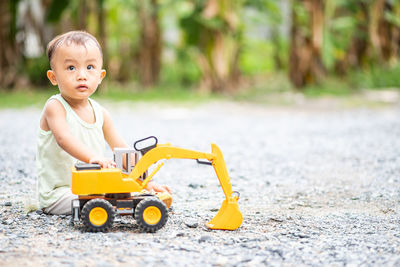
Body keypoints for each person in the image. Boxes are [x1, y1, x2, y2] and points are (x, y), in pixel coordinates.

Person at [37, 31, 171, 215]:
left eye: (90, 67)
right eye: (71, 68)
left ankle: (145, 193)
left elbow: (123, 151)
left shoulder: (101, 113)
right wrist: (93, 158)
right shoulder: (55, 107)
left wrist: (144, 183)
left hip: (94, 187)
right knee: (104, 203)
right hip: (60, 194)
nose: (82, 75)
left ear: (100, 76)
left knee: (123, 195)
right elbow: (63, 138)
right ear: (53, 77)